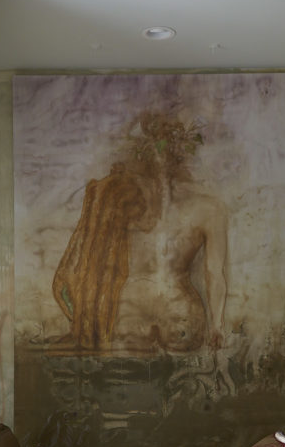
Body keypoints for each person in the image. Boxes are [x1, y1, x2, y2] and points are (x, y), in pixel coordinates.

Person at [52, 111, 228, 355]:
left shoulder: (120, 200)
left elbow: (214, 273)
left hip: (131, 316)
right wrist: (216, 325)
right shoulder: (207, 208)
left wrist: (217, 324)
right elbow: (214, 273)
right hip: (178, 313)